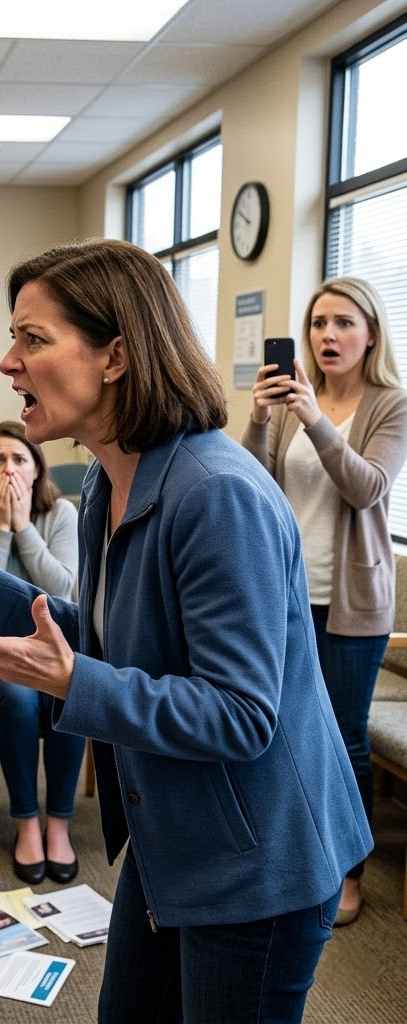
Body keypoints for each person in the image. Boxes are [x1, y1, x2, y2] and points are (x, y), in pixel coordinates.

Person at [0, 239, 371, 1024]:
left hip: (256, 863)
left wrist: (73, 681)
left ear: (115, 356)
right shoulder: (110, 481)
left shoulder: (217, 494)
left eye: (33, 339)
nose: (9, 363)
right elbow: (118, 645)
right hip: (171, 832)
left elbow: (240, 714)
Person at [242, 276, 407, 927]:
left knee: (343, 738)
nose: (328, 335)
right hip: (285, 593)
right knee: (281, 729)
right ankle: (294, 853)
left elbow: (367, 488)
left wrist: (314, 419)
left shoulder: (390, 404)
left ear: (371, 334)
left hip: (352, 603)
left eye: (343, 323)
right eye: (318, 324)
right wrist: (261, 418)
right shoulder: (290, 400)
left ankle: (347, 871)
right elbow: (253, 485)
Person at [0, 420, 82, 885]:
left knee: (71, 692)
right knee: (21, 700)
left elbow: (63, 591)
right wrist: (1, 527)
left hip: (49, 647)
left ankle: (58, 824)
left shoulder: (61, 514)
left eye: (20, 459)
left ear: (37, 469)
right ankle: (26, 822)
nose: (9, 469)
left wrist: (24, 526)